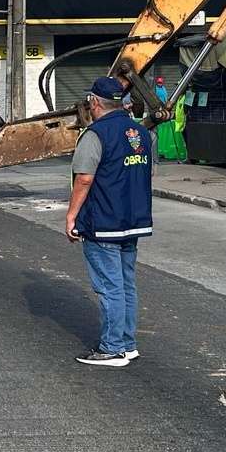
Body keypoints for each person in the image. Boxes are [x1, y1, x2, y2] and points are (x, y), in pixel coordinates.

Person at [65, 77, 153, 368]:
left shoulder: (95, 134)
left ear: (94, 102)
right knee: (126, 284)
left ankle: (113, 348)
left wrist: (72, 215)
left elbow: (85, 178)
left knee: (110, 287)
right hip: (134, 221)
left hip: (104, 221)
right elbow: (148, 174)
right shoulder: (141, 132)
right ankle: (127, 344)